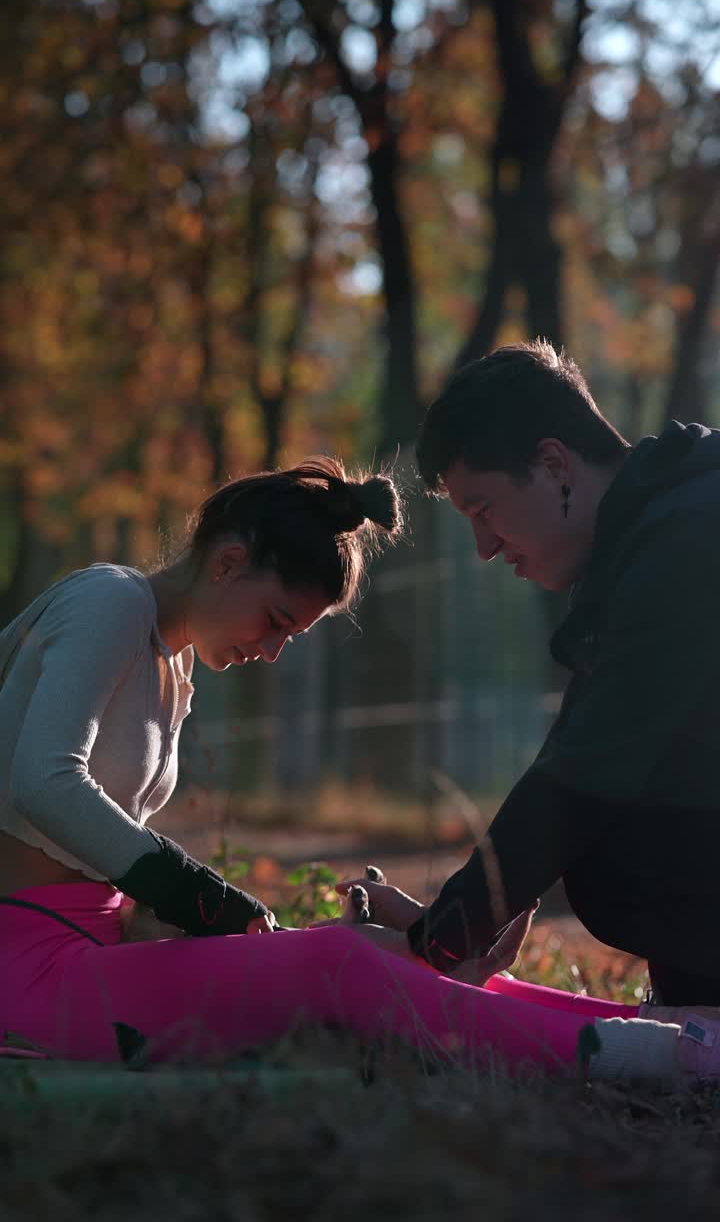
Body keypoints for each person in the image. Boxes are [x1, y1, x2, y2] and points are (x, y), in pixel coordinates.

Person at [0, 453, 635, 1076]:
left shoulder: (175, 663)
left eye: (289, 636)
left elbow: (101, 859)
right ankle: (655, 1057)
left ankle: (664, 1029)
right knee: (334, 963)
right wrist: (197, 895)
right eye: (274, 621)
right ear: (227, 563)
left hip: (88, 950)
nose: (273, 651)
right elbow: (44, 782)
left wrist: (222, 920)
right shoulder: (110, 601)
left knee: (363, 957)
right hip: (26, 966)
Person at [341, 337, 720, 1083]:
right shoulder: (656, 530)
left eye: (485, 510)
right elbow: (579, 747)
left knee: (622, 847)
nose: (484, 547)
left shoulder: (691, 538)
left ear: (554, 465)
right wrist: (475, 921)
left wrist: (432, 950)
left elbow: (590, 767)